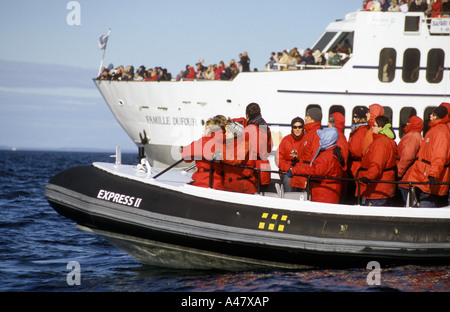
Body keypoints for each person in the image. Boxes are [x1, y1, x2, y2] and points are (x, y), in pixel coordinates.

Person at [404, 106, 450, 207]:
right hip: (422, 175)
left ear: (437, 116)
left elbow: (439, 155)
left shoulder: (441, 131)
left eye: (433, 114)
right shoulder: (434, 130)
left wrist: (433, 175)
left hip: (427, 177)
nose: (430, 115)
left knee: (426, 206)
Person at [289, 127, 344, 204]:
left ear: (327, 139)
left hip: (324, 194)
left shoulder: (326, 156)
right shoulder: (332, 150)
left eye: (321, 138)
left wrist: (294, 170)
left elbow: (315, 170)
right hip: (327, 191)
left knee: (322, 214)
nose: (319, 140)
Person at [358, 116, 398, 206]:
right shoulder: (381, 141)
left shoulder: (381, 143)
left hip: (377, 191)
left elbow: (377, 164)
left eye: (375, 125)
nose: (372, 127)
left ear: (381, 128)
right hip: (380, 188)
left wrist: (368, 177)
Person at [181, 116, 227, 190]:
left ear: (210, 130)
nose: (203, 131)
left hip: (203, 182)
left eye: (206, 128)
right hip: (221, 183)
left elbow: (185, 155)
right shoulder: (227, 142)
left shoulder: (203, 142)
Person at [220, 120, 258, 194]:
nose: (225, 134)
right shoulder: (224, 145)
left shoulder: (245, 145)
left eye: (228, 132)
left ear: (235, 134)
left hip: (244, 186)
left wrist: (220, 156)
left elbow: (237, 160)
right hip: (228, 185)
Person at [290, 107, 322, 190]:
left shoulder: (315, 134)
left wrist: (309, 179)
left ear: (312, 119)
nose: (305, 119)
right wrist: (299, 156)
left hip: (305, 178)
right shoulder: (308, 133)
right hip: (300, 176)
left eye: (307, 117)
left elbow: (315, 158)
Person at [243, 103, 273, 190]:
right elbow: (269, 147)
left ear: (247, 115)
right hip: (265, 168)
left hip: (253, 170)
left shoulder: (249, 129)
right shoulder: (265, 127)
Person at [275, 117, 305, 192]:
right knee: (288, 181)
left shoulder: (307, 140)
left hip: (302, 171)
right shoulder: (286, 140)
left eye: (300, 127)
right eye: (295, 127)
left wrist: (299, 157)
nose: (297, 129)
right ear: (292, 128)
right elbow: (278, 158)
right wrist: (288, 168)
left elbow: (310, 158)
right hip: (287, 171)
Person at [348, 106, 369, 194]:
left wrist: (347, 150)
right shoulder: (361, 130)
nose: (354, 119)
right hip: (356, 166)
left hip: (355, 166)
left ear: (361, 118)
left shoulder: (360, 132)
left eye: (356, 117)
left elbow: (356, 151)